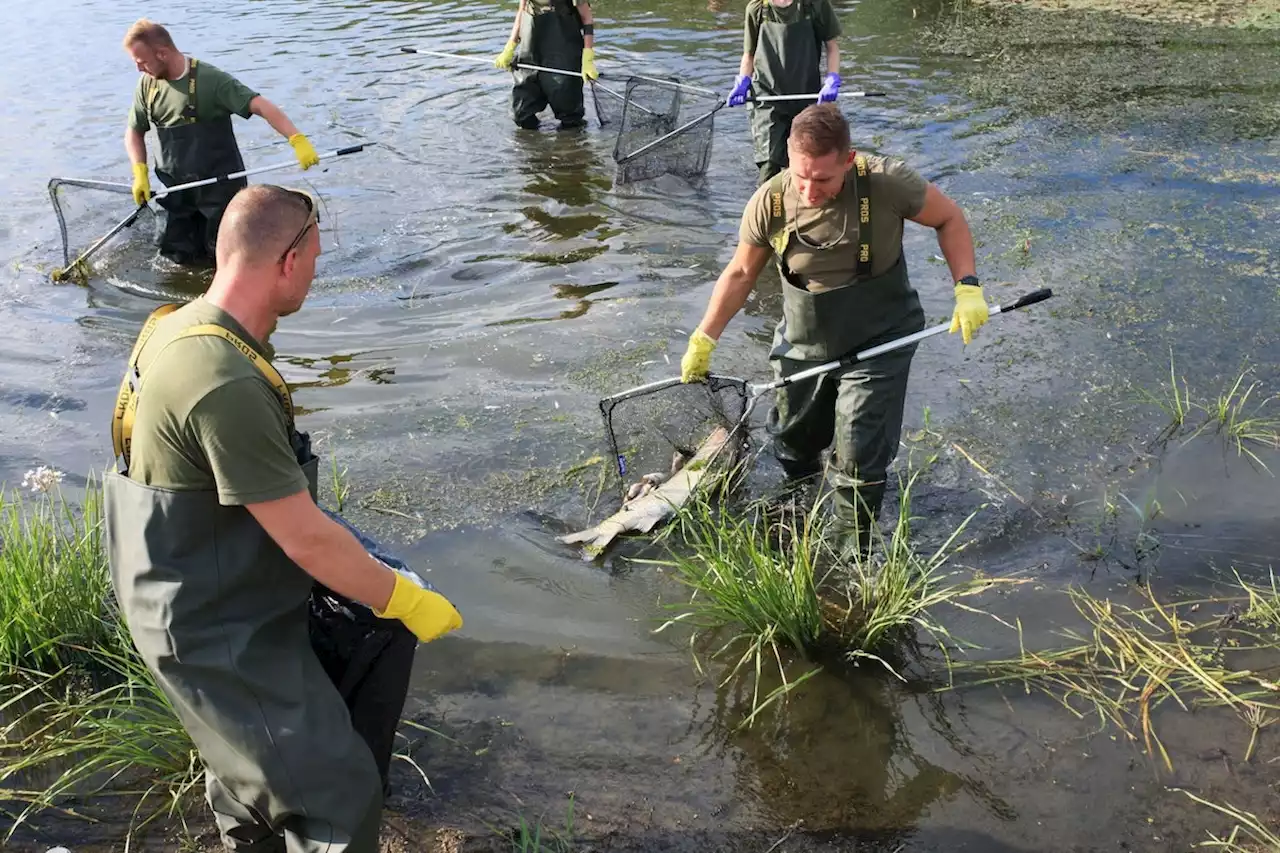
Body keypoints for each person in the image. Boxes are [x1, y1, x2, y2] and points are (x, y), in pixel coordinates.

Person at [103, 184, 464, 852]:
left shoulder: (173, 326)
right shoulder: (224, 379)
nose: (317, 272)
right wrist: (404, 598)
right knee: (338, 794)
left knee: (249, 779)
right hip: (212, 625)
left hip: (177, 589)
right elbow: (303, 537)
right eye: (317, 258)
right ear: (288, 261)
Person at [678, 105, 990, 559]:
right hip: (804, 340)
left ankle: (851, 558)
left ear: (848, 160)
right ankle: (793, 524)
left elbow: (950, 219)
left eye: (822, 179)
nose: (809, 189)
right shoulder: (769, 201)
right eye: (801, 175)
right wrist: (703, 338)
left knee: (859, 449)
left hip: (881, 336)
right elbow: (742, 272)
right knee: (794, 443)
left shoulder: (887, 183)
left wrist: (967, 286)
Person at [123, 19, 322, 266]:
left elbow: (261, 105)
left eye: (141, 62)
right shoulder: (147, 86)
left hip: (220, 194)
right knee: (175, 257)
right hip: (177, 194)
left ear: (162, 53)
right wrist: (139, 172)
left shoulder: (211, 81)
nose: (139, 69)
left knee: (226, 260)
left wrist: (297, 139)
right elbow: (134, 132)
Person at [725, 0, 843, 185]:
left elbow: (832, 46)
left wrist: (832, 79)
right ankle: (764, 210)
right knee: (769, 165)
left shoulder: (814, 5)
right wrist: (743, 81)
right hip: (767, 97)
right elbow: (749, 54)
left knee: (804, 165)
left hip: (806, 97)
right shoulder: (756, 10)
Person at [493, 0, 599, 130]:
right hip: (531, 52)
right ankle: (534, 144)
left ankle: (572, 143)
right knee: (521, 113)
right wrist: (510, 47)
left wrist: (588, 56)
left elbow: (587, 19)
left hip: (564, 52)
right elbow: (522, 11)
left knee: (569, 113)